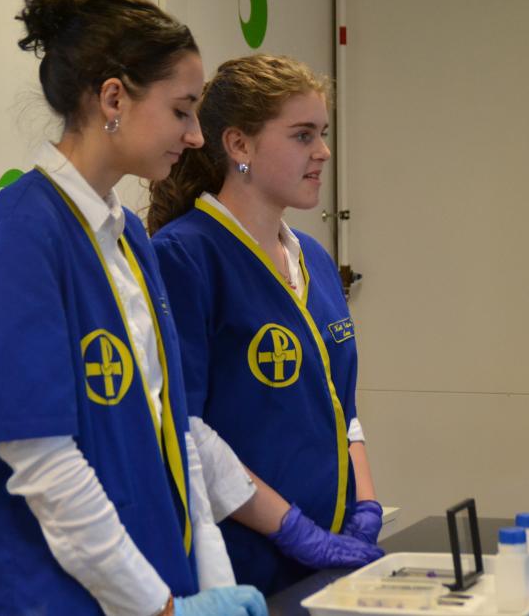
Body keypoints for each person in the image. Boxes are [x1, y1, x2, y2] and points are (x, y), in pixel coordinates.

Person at [0, 0, 268, 614]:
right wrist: (164, 608)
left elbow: (174, 439)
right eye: (182, 111)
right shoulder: (20, 238)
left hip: (145, 592)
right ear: (113, 98)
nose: (197, 136)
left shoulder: (129, 239)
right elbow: (46, 468)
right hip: (41, 598)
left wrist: (213, 585)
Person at [149, 54, 384, 594]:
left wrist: (366, 504)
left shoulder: (313, 259)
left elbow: (340, 407)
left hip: (331, 556)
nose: (323, 152)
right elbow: (185, 431)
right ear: (239, 145)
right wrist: (291, 529)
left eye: (323, 134)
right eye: (303, 135)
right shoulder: (185, 257)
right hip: (247, 565)